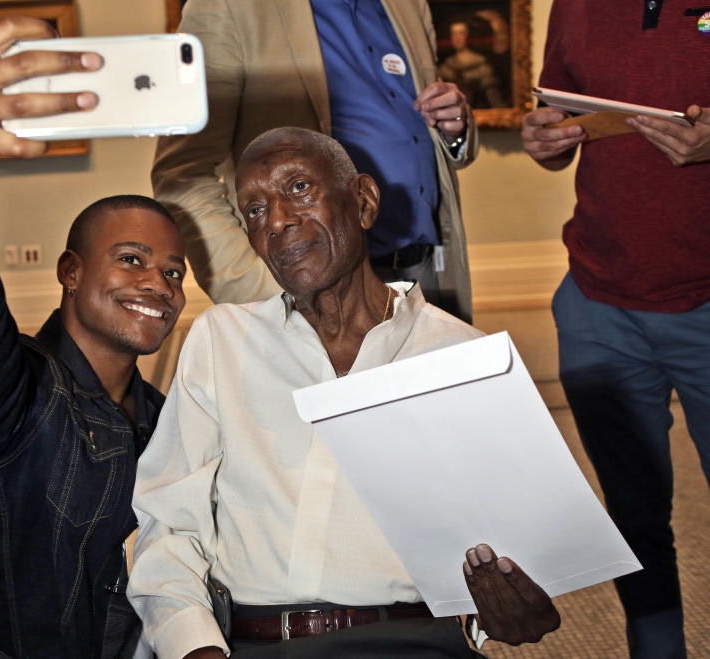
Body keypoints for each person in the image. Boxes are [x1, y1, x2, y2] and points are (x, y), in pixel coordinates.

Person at [128, 127, 560, 658]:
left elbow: (521, 557)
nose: (279, 220)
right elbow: (167, 520)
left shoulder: (462, 357)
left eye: (300, 189)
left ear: (363, 201)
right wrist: (193, 647)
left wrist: (510, 609)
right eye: (256, 210)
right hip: (250, 644)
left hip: (411, 643)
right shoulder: (222, 340)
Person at [0, 18, 187, 657]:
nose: (159, 283)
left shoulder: (169, 420)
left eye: (173, 271)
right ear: (70, 273)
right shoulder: (14, 398)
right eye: (131, 259)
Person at [521, 2, 710, 657]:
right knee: (632, 518)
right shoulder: (575, 5)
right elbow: (560, 120)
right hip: (597, 304)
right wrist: (545, 141)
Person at [153, 0, 478, 323]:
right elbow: (181, 175)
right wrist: (269, 299)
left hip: (431, 272)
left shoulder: (409, 4)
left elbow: (413, 132)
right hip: (319, 297)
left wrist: (455, 130)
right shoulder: (228, 6)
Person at [438, 20, 506, 109]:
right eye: (454, 34)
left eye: (461, 34)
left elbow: (494, 99)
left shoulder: (481, 64)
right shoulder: (446, 67)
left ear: (467, 36)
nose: (457, 38)